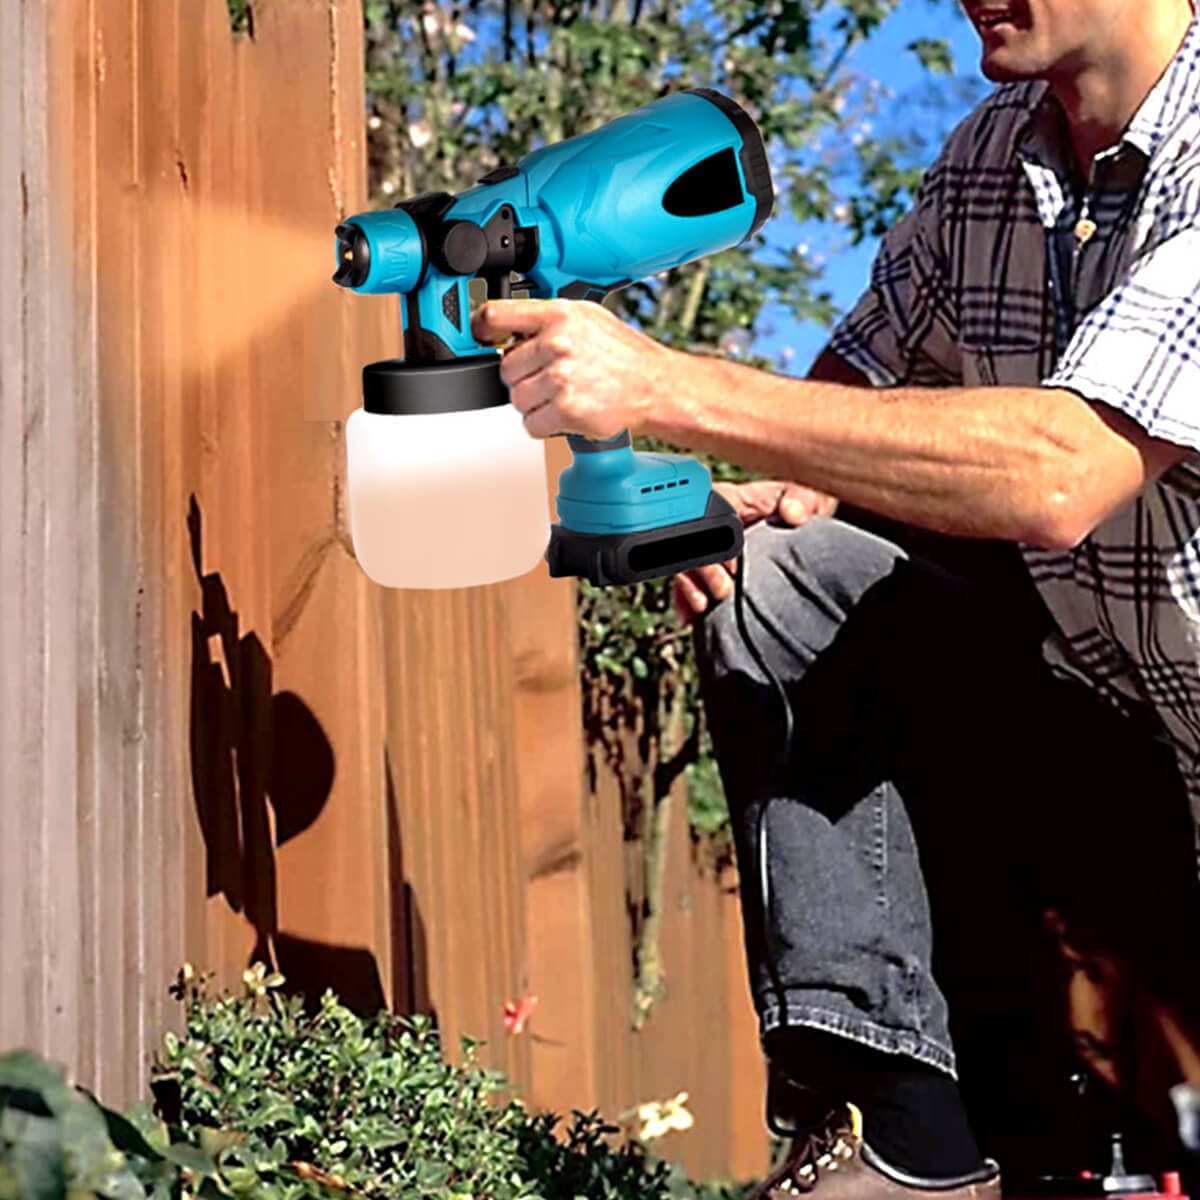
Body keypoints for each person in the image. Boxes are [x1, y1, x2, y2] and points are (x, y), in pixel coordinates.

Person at [471, 0, 1200, 1193]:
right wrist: (765, 496)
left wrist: (662, 382)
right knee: (783, 580)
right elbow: (846, 400)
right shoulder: (988, 163)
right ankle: (905, 1144)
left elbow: (1061, 469)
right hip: (1112, 770)